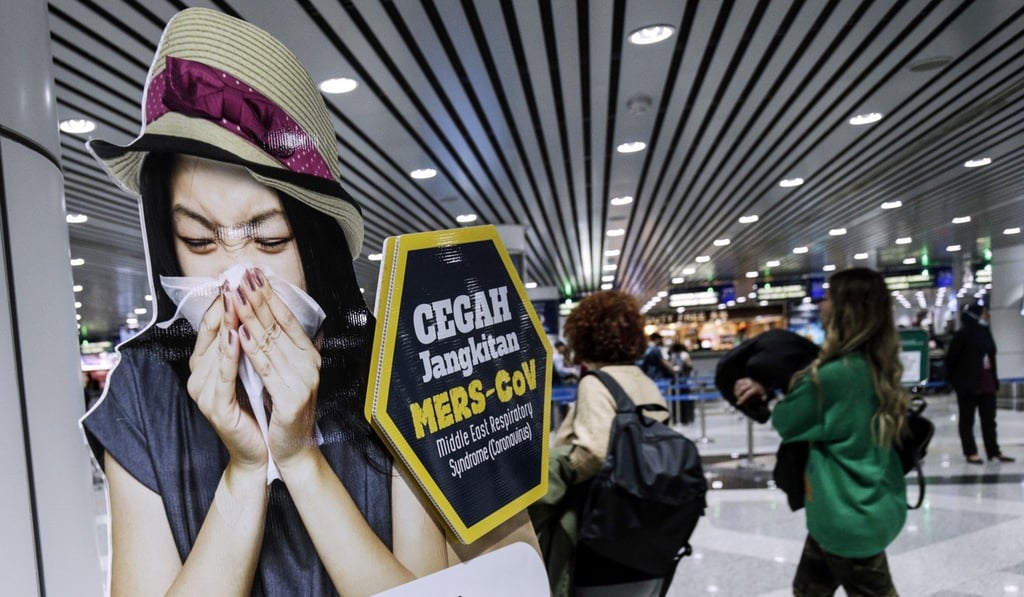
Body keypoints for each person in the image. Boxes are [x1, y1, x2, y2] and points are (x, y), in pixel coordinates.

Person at [80, 9, 535, 596]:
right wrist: (246, 472)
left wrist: (298, 458)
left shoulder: (401, 362)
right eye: (199, 240)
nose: (235, 277)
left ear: (316, 237)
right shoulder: (145, 388)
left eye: (270, 240)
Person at [735, 268, 908, 596]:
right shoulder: (877, 367)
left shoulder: (834, 376)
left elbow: (786, 420)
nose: (821, 304)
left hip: (845, 514)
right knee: (808, 589)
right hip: (869, 503)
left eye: (828, 297)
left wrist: (774, 388)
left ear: (847, 309)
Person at [532, 290, 670, 596]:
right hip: (644, 530)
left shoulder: (597, 383)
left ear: (583, 335)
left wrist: (551, 472)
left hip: (598, 533)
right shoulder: (644, 381)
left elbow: (593, 452)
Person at [945, 302, 1013, 464]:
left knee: (989, 420)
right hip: (968, 385)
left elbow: (991, 357)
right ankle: (970, 452)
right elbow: (951, 360)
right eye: (983, 314)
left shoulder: (986, 333)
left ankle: (993, 451)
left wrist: (994, 381)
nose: (987, 316)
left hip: (987, 383)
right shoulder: (962, 335)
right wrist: (956, 382)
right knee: (967, 420)